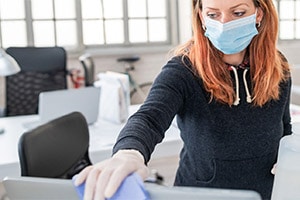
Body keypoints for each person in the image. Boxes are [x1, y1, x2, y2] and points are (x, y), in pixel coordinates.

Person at [75, 0, 291, 199]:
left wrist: (289, 157)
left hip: (265, 192)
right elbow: (149, 118)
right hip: (200, 194)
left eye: (238, 12)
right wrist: (129, 153)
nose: (225, 23)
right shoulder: (184, 70)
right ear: (201, 17)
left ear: (259, 13)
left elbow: (284, 126)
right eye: (213, 15)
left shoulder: (277, 66)